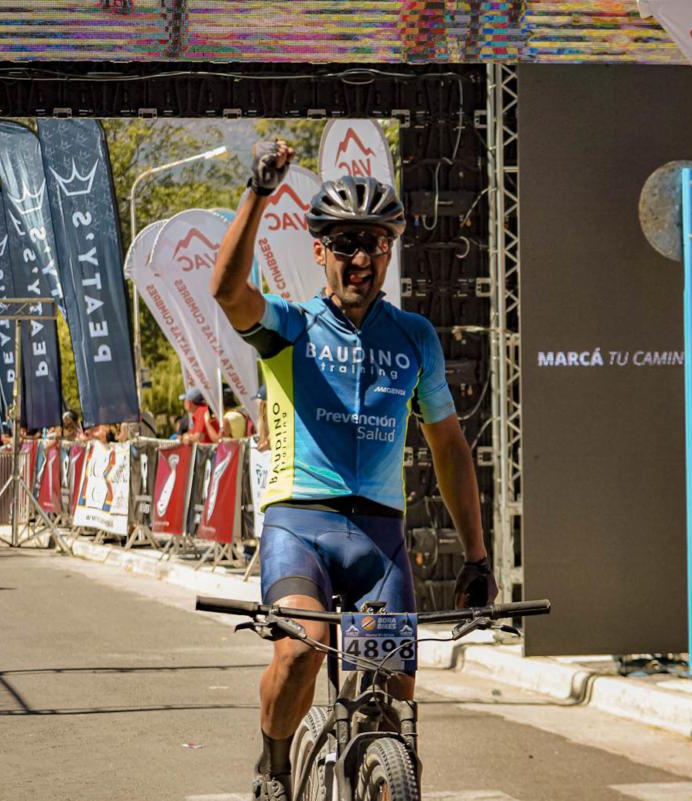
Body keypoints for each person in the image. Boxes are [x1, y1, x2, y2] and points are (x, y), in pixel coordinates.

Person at [212, 139, 496, 801]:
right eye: (344, 244)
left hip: (379, 540)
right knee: (303, 647)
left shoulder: (415, 337)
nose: (360, 259)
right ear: (319, 251)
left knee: (395, 697)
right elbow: (226, 289)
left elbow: (450, 447)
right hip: (299, 527)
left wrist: (477, 557)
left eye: (374, 243)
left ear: (389, 251)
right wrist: (259, 192)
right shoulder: (289, 327)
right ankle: (275, 766)